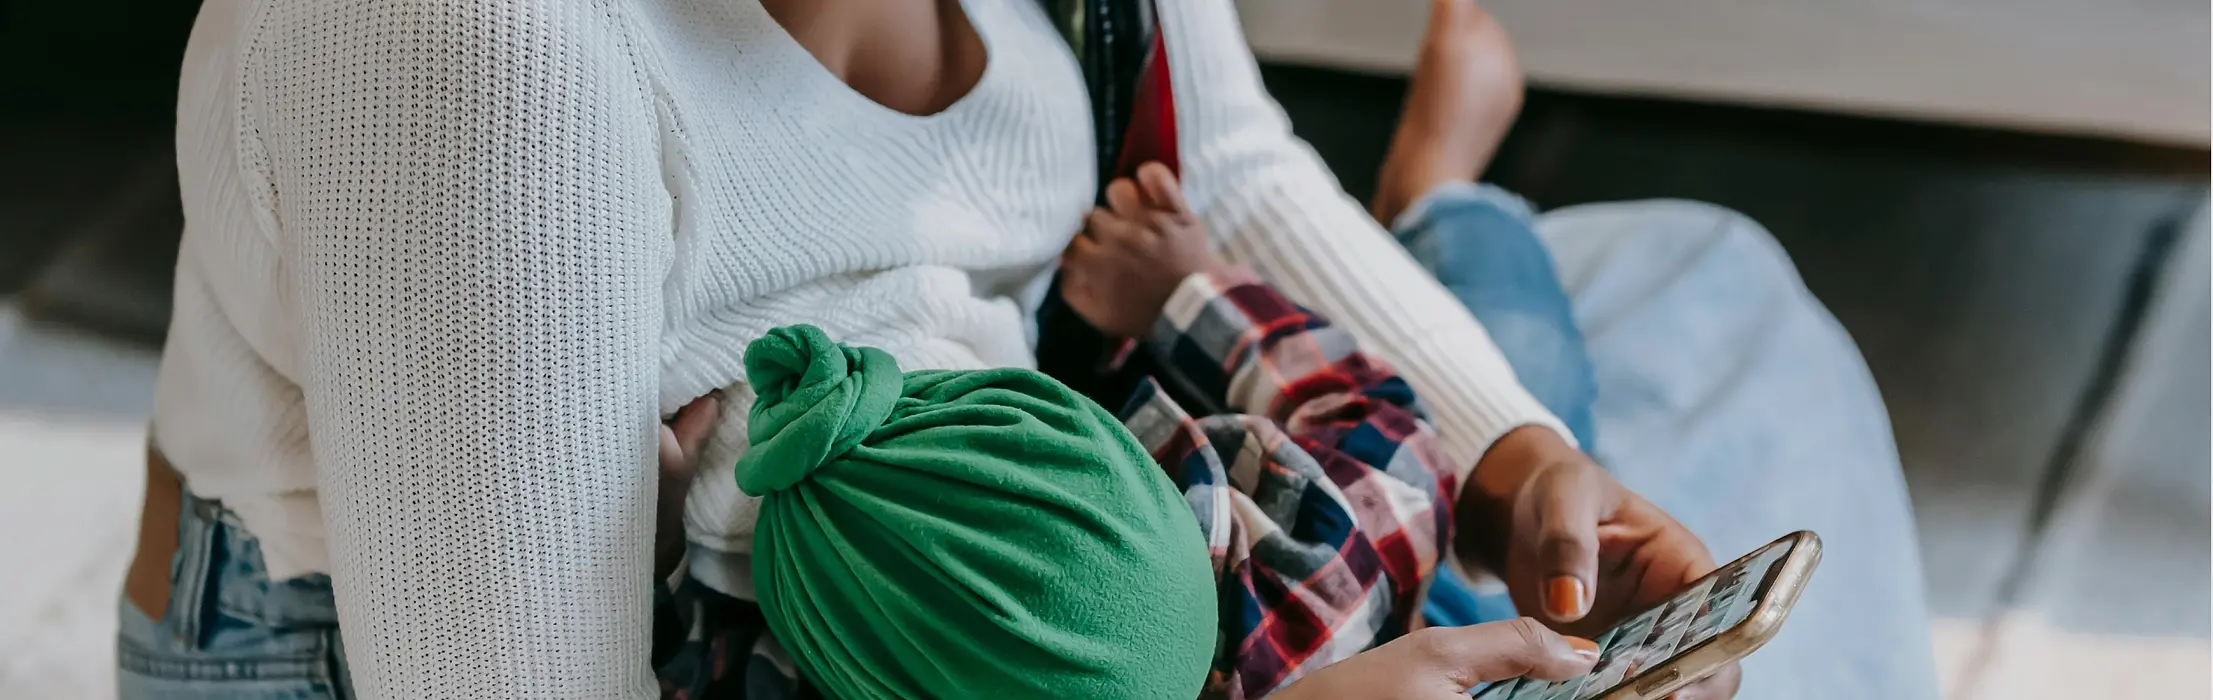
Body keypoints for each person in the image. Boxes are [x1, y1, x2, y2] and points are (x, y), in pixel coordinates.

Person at [125, 0, 1934, 698]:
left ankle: (1449, 213)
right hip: (627, 657)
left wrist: (1512, 460)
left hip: (1044, 515)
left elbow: (1215, 164)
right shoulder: (458, 47)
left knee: (1711, 280)